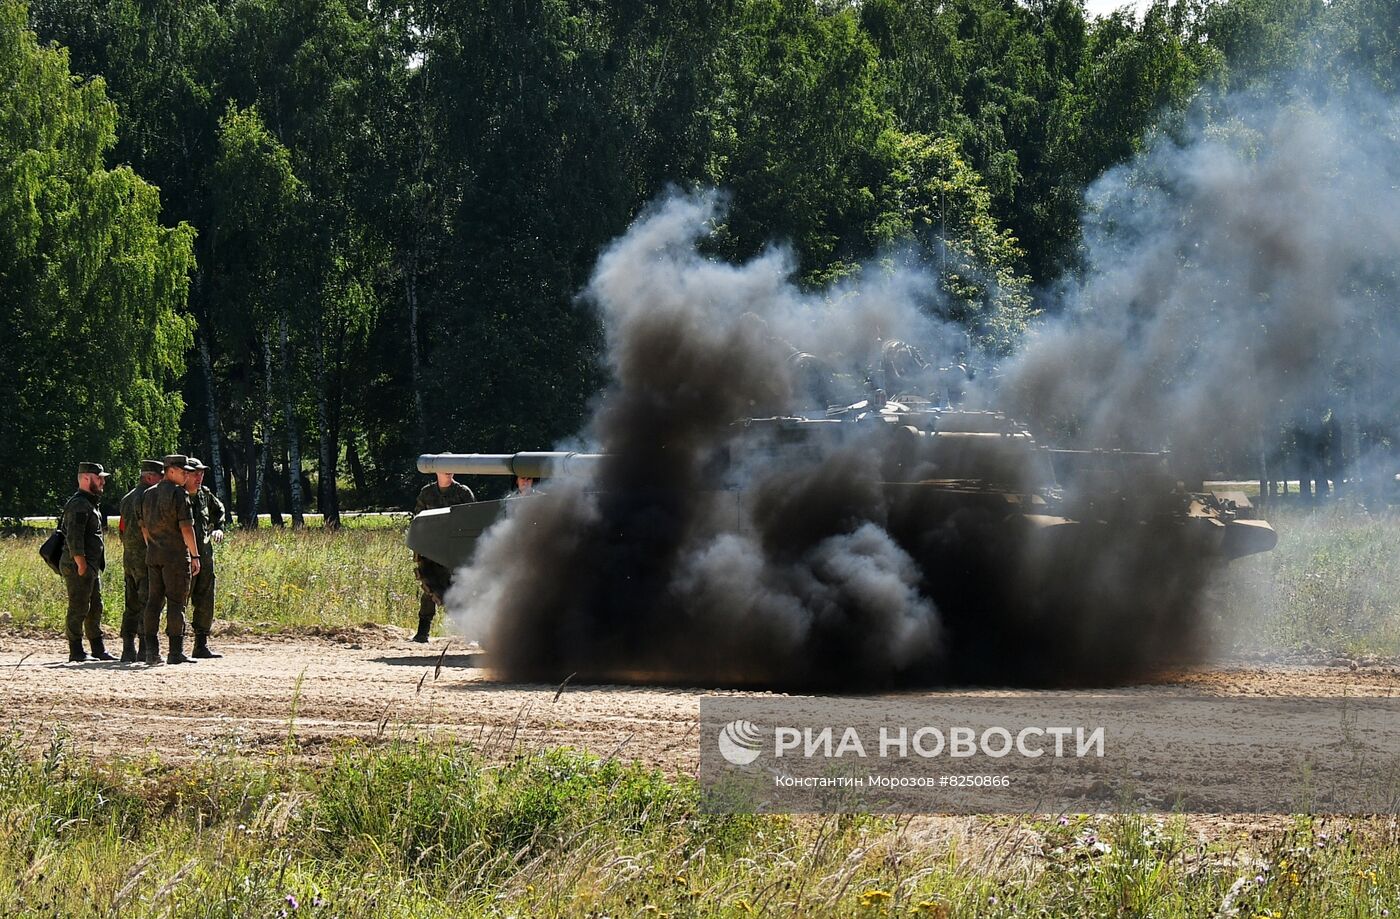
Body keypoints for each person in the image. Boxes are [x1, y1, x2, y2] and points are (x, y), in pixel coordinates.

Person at [140, 455, 201, 665]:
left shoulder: (148, 494)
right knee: (176, 602)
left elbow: (144, 528)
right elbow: (186, 527)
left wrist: (153, 546)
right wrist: (195, 555)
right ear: (171, 471)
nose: (187, 475)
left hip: (154, 556)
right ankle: (175, 652)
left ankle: (151, 651)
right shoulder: (178, 494)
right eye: (183, 471)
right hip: (175, 557)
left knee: (153, 602)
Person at [410, 471, 475, 642]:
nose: (448, 471)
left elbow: (473, 518)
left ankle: (472, 632)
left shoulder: (463, 492)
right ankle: (422, 632)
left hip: (457, 550)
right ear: (437, 470)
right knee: (429, 589)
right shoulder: (427, 493)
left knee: (464, 589)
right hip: (434, 549)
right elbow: (418, 519)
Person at [59, 462, 113, 662]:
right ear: (85, 479)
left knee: (94, 606)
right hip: (78, 565)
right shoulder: (79, 504)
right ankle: (77, 652)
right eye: (99, 477)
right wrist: (81, 563)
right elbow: (74, 537)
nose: (103, 481)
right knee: (79, 607)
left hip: (89, 565)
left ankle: (97, 649)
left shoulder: (89, 502)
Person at [117, 459, 163, 662]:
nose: (161, 480)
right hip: (147, 558)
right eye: (159, 476)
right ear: (149, 477)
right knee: (149, 602)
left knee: (132, 604)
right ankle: (144, 648)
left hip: (130, 558)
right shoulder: (149, 497)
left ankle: (128, 648)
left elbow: (121, 529)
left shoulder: (127, 498)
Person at [183, 457, 226, 658]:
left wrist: (218, 528)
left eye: (201, 473)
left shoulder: (204, 495)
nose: (199, 477)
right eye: (195, 473)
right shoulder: (177, 496)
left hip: (205, 557)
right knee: (179, 601)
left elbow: (219, 511)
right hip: (183, 558)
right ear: (185, 474)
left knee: (205, 599)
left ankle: (200, 645)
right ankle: (176, 647)